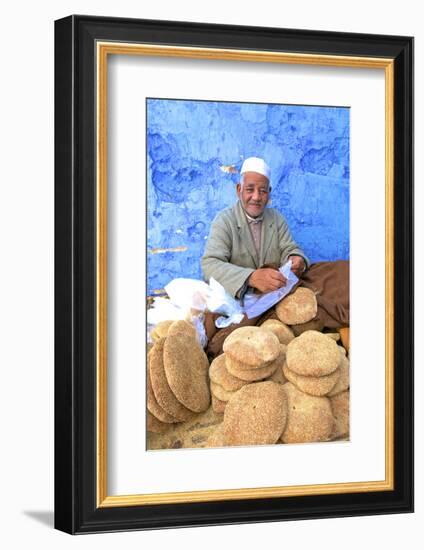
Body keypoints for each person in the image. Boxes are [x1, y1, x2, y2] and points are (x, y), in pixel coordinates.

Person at [201, 157, 309, 300]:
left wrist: (296, 259)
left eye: (263, 191)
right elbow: (210, 266)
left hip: (273, 297)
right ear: (239, 190)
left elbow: (289, 248)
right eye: (250, 189)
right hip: (239, 301)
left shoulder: (277, 219)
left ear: (269, 192)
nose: (256, 197)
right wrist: (250, 278)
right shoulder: (224, 220)